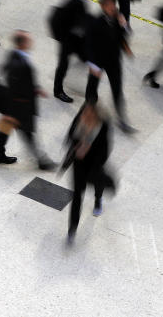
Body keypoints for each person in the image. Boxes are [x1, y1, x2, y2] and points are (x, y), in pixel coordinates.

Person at [0, 31, 54, 169]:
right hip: (20, 106)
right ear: (22, 44)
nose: (31, 42)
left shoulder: (14, 54)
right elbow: (14, 86)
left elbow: (17, 81)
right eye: (28, 40)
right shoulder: (20, 64)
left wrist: (36, 88)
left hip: (14, 105)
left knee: (5, 130)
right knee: (27, 133)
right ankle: (42, 162)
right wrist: (10, 113)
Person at [61, 101, 114, 243]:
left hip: (94, 164)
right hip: (79, 164)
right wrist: (78, 146)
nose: (85, 117)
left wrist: (89, 148)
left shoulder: (103, 126)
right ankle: (72, 229)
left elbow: (105, 151)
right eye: (84, 114)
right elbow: (70, 135)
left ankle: (98, 199)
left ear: (96, 117)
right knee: (77, 195)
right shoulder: (80, 120)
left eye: (89, 115)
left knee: (98, 183)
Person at [85, 0, 135, 133]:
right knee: (92, 87)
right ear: (102, 7)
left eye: (113, 5)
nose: (112, 7)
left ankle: (122, 119)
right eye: (109, 5)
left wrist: (124, 25)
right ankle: (89, 110)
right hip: (98, 61)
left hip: (114, 60)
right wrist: (92, 64)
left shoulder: (117, 18)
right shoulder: (95, 22)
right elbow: (88, 44)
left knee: (117, 90)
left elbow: (125, 35)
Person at [50, 0, 92, 103]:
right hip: (67, 40)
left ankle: (84, 57)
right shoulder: (73, 3)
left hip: (75, 38)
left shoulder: (79, 1)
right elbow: (68, 21)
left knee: (83, 52)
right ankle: (58, 91)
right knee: (63, 65)